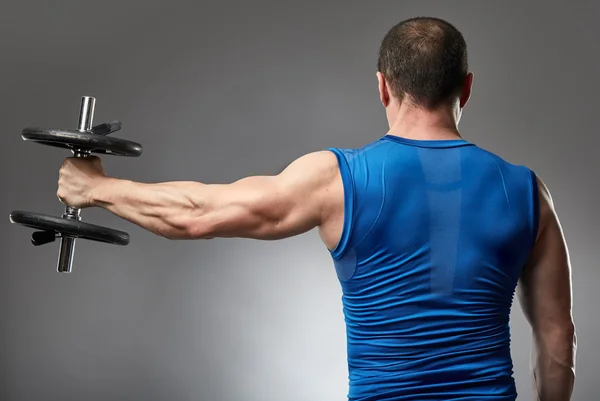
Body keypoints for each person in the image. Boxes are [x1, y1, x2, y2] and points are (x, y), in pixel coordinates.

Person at [57, 17, 576, 401]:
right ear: (466, 88)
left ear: (383, 87)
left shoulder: (338, 179)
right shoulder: (528, 192)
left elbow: (197, 212)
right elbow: (557, 339)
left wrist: (95, 188)